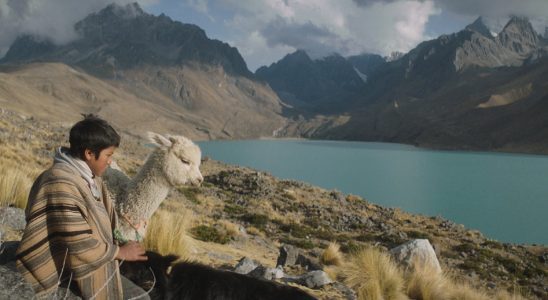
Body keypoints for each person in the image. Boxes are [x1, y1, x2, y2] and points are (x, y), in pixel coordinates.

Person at [16, 115, 149, 300]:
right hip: (62, 265)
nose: (110, 161)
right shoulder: (61, 182)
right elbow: (78, 244)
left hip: (86, 257)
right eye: (108, 155)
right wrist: (120, 252)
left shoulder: (91, 179)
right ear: (89, 154)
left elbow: (101, 222)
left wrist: (125, 234)